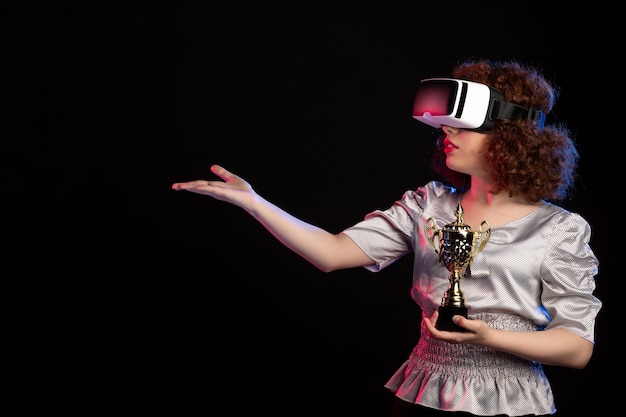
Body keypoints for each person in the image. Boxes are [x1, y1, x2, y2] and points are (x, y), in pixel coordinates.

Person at [171, 59, 601, 417]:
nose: (445, 133)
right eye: (443, 126)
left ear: (508, 138)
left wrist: (490, 338)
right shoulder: (426, 205)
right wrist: (255, 203)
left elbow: (577, 348)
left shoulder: (559, 230)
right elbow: (332, 253)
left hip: (510, 406)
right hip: (421, 394)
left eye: (461, 126)